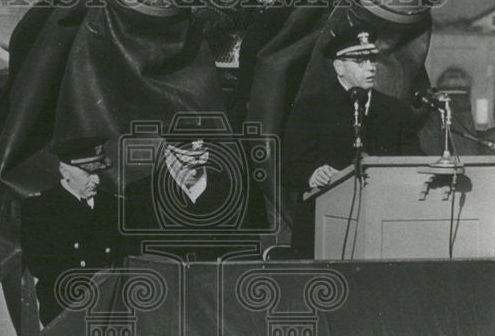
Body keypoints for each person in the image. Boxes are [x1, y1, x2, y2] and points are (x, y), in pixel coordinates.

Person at [282, 29, 420, 254]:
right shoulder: (311, 108)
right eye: (360, 61)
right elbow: (289, 169)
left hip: (383, 226)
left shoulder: (396, 111)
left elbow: (414, 160)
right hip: (323, 228)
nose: (371, 67)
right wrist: (312, 174)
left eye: (373, 60)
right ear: (339, 67)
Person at [122, 121, 268, 261]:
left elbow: (244, 252)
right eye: (187, 156)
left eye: (201, 154)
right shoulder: (140, 193)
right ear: (169, 152)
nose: (197, 161)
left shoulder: (231, 190)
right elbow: (135, 255)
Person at [20, 136, 122, 324]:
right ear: (64, 171)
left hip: (113, 307)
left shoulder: (113, 204)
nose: (97, 180)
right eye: (88, 173)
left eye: (99, 171)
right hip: (66, 309)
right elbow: (40, 265)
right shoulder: (39, 208)